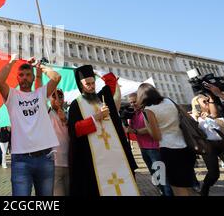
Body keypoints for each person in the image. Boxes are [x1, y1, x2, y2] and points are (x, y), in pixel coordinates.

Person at [68, 65, 138, 196]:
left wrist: (98, 72)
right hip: (93, 158)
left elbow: (111, 81)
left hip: (115, 154)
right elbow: (75, 130)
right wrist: (96, 118)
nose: (91, 86)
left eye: (93, 83)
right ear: (81, 85)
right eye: (87, 83)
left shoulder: (102, 98)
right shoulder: (75, 104)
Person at [0, 55, 61, 196]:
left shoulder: (41, 94)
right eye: (21, 75)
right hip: (21, 160)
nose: (24, 77)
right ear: (17, 79)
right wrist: (12, 61)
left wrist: (40, 66)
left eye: (28, 75)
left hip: (46, 157)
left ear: (32, 78)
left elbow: (56, 78)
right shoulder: (12, 95)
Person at [138, 83, 196, 196]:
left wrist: (148, 127)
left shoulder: (149, 110)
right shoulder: (168, 101)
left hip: (170, 149)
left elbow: (156, 136)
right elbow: (186, 118)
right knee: (187, 185)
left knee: (178, 187)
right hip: (186, 146)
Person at [126, 93, 173, 196]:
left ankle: (168, 193)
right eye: (130, 103)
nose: (133, 104)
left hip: (154, 148)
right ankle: (162, 192)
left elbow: (150, 128)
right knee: (154, 174)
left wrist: (135, 131)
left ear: (140, 100)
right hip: (143, 148)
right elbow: (130, 129)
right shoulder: (133, 114)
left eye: (134, 101)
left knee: (161, 176)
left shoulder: (147, 111)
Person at [191, 94, 224, 196]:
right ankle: (205, 188)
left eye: (208, 101)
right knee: (214, 174)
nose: (207, 103)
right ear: (197, 105)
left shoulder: (214, 113)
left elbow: (223, 126)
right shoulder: (194, 117)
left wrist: (211, 117)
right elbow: (193, 132)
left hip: (223, 145)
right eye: (204, 102)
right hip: (208, 147)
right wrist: (197, 118)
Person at [48, 89, 70, 196]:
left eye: (60, 97)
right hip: (54, 165)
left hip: (69, 163)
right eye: (55, 97)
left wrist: (65, 120)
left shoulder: (68, 113)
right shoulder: (47, 113)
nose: (58, 99)